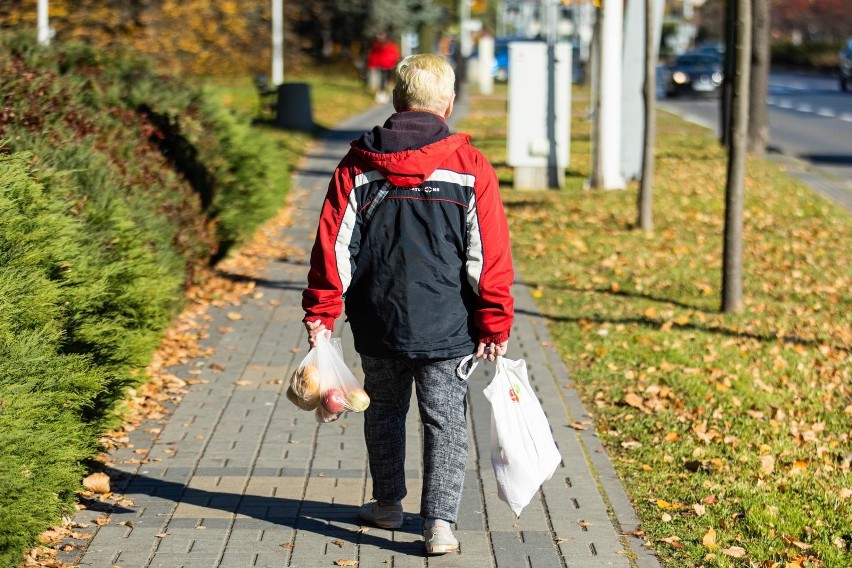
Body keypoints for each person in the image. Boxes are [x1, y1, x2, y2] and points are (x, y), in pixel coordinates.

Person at [301, 53, 514, 556]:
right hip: (450, 326)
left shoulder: (358, 166)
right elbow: (488, 255)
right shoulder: (469, 166)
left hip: (378, 321)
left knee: (384, 411)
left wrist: (322, 312)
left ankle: (387, 503)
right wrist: (494, 322)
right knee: (445, 421)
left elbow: (334, 245)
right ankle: (439, 524)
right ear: (448, 103)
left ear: (397, 100)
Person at [366, 32, 401, 103]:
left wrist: (394, 63)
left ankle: (384, 94)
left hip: (389, 66)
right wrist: (371, 65)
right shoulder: (376, 47)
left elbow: (395, 55)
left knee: (386, 80)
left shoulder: (390, 46)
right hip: (380, 66)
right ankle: (381, 95)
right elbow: (373, 57)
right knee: (382, 81)